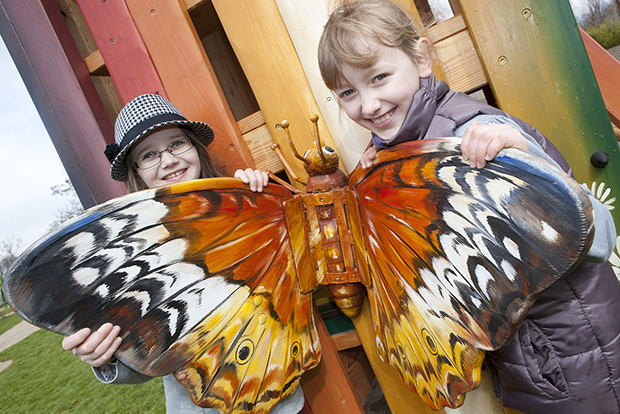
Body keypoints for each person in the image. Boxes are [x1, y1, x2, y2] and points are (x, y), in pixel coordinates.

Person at [317, 1, 620, 413]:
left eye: (380, 77)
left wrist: (520, 160)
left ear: (422, 58)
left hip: (578, 348)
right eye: (349, 92)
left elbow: (600, 234)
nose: (368, 106)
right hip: (534, 359)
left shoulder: (470, 135)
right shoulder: (399, 154)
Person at [61, 94, 304, 414]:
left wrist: (261, 200)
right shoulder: (135, 253)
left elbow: (296, 265)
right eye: (149, 154)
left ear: (195, 147)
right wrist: (108, 359)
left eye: (176, 144)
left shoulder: (242, 207)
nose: (169, 160)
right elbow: (150, 350)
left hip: (276, 401)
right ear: (137, 172)